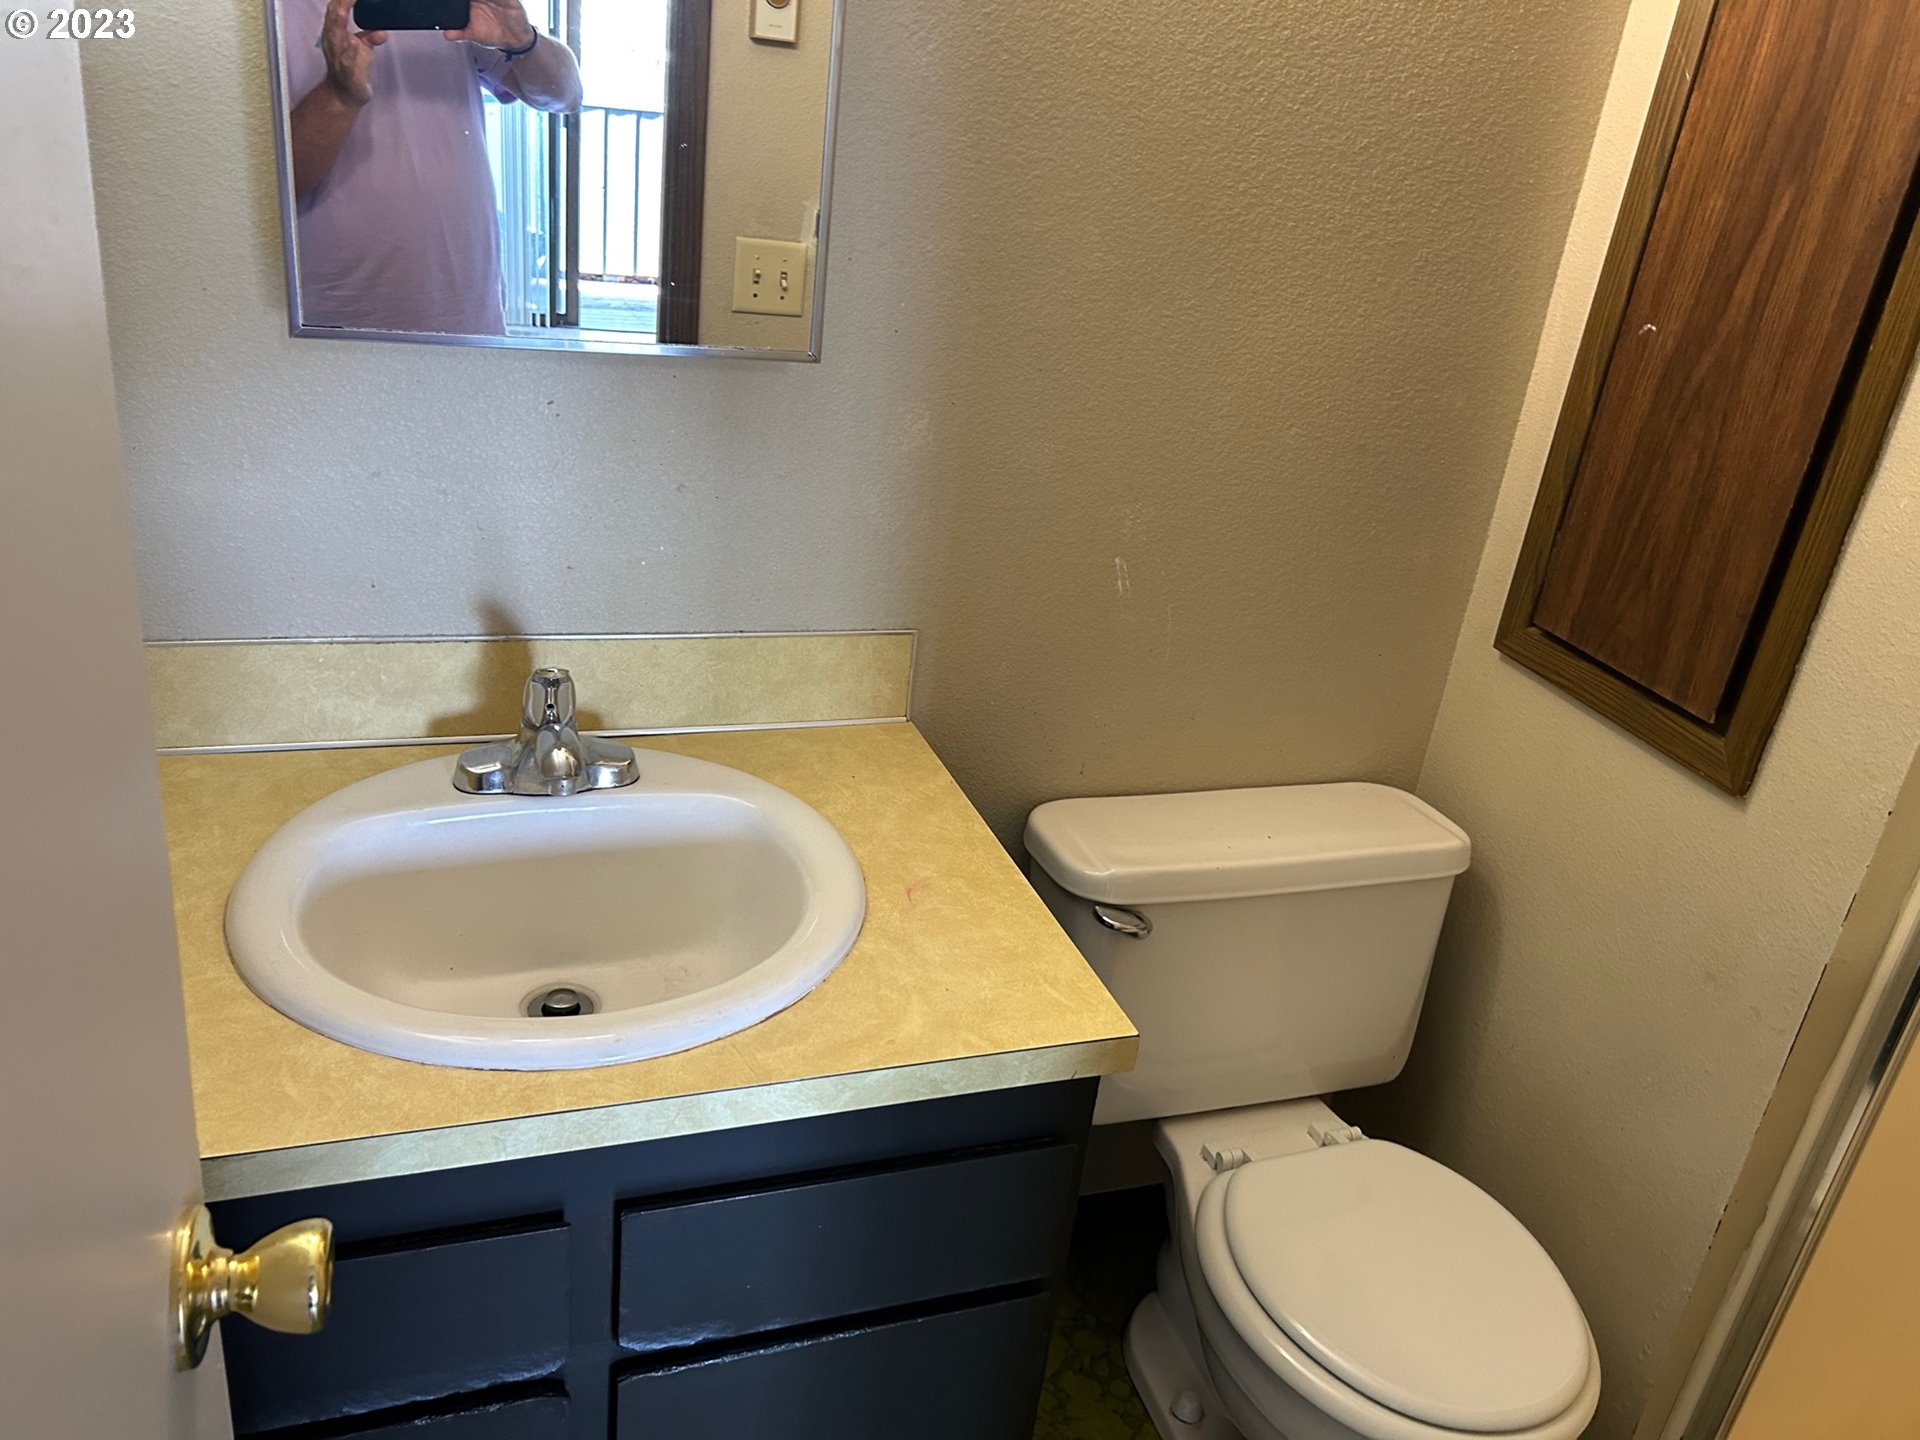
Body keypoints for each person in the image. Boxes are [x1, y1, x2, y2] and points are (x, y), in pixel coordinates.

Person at [286, 0, 582, 336]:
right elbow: (272, 188)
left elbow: (566, 96)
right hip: (322, 327)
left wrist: (524, 41)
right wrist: (338, 94)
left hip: (464, 315)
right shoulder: (261, 17)